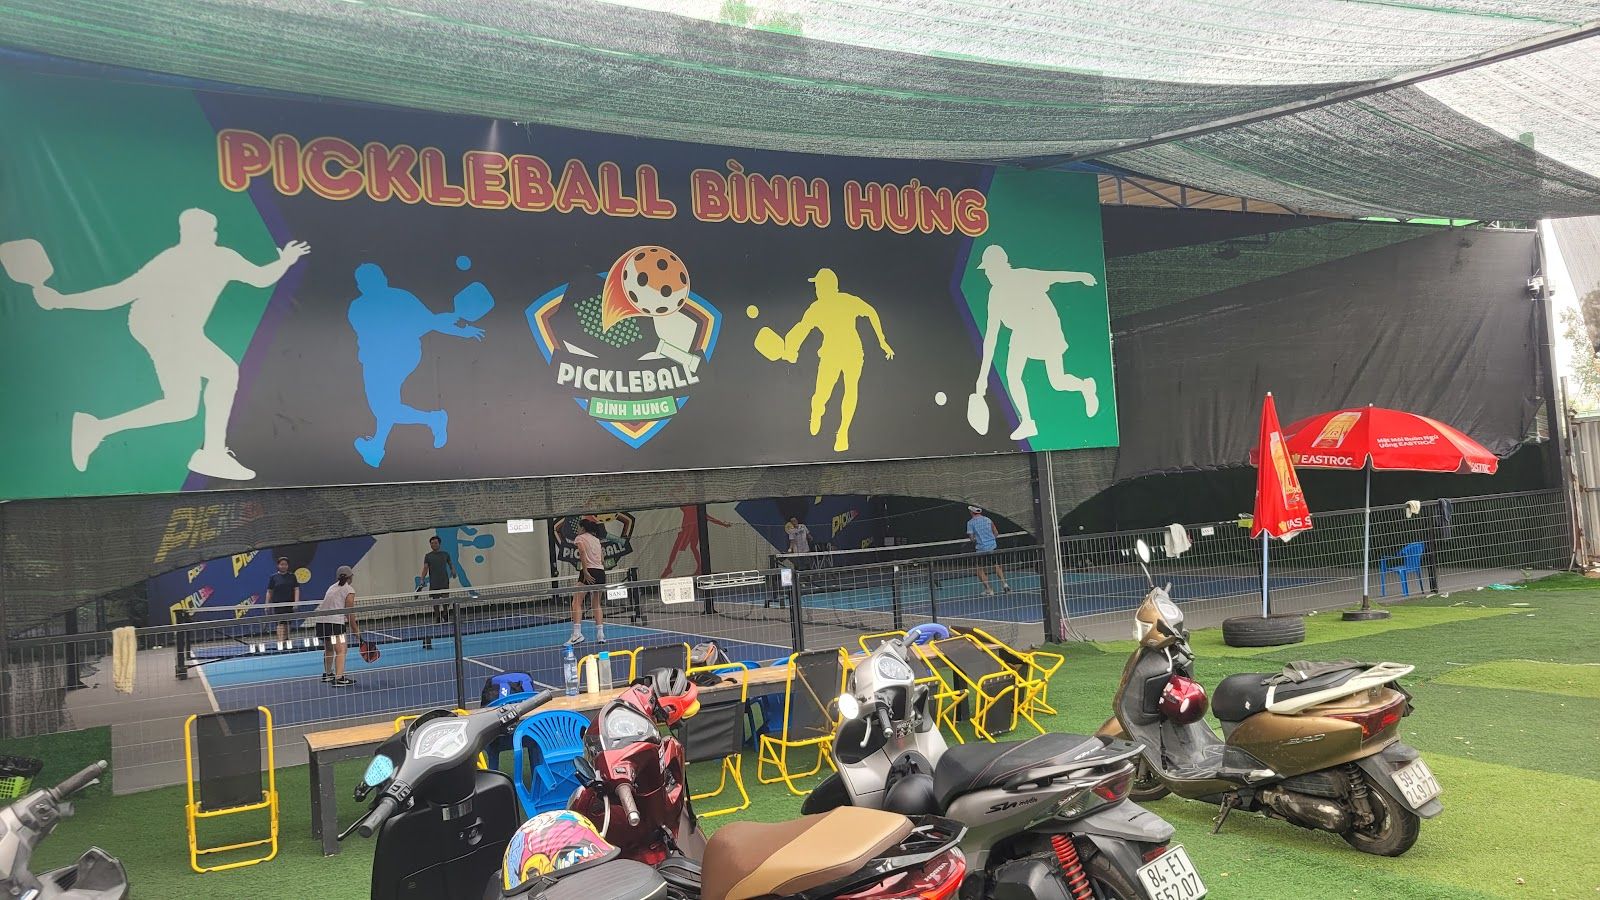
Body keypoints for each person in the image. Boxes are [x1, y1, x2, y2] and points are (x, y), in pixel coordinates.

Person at [26, 208, 309, 480]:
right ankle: (212, 454)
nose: (206, 235)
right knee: (224, 372)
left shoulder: (219, 257)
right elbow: (119, 293)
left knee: (181, 407)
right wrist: (62, 301)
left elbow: (260, 278)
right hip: (160, 327)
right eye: (200, 231)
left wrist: (285, 261)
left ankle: (96, 428)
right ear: (188, 233)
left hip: (169, 330)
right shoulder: (175, 259)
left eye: (208, 230)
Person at [348, 261, 487, 468]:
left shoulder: (377, 303)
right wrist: (453, 327)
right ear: (363, 286)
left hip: (395, 359)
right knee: (386, 405)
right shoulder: (366, 307)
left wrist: (457, 329)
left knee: (383, 409)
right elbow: (426, 323)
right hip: (387, 358)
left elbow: (428, 322)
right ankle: (377, 446)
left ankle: (433, 419)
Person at [972, 244, 1100, 441]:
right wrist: (982, 377)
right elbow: (991, 336)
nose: (987, 273)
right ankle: (1028, 423)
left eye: (988, 268)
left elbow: (1055, 276)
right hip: (1022, 333)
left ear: (999, 266)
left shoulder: (1024, 276)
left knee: (1057, 381)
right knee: (1012, 375)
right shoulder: (994, 295)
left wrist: (1082, 276)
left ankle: (1085, 387)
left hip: (1045, 328)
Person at [780, 268, 894, 452]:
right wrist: (791, 347)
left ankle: (842, 432)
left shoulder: (838, 302)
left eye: (818, 285)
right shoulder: (821, 307)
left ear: (826, 286)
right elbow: (801, 329)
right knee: (823, 394)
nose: (816, 289)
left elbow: (871, 311)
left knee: (848, 390)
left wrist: (882, 340)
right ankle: (818, 413)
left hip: (850, 353)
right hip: (836, 354)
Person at [307, 565, 361, 687]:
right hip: (335, 624)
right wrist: (355, 630)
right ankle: (339, 678)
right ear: (350, 577)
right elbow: (349, 612)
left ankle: (328, 674)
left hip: (321, 623)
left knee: (329, 649)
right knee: (341, 650)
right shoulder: (349, 590)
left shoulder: (331, 587)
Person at [569, 517, 608, 646]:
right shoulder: (596, 540)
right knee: (596, 604)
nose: (578, 529)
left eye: (579, 527)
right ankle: (600, 635)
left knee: (576, 602)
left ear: (583, 528)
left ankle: (577, 634)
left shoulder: (580, 538)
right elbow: (602, 559)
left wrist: (585, 571)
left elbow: (582, 551)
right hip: (600, 572)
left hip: (589, 571)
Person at [418, 535, 453, 650]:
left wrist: (453, 571)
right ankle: (438, 616)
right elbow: (425, 568)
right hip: (434, 582)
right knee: (435, 601)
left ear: (439, 544)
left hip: (444, 580)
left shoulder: (445, 554)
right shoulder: (428, 556)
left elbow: (450, 564)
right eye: (432, 543)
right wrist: (422, 579)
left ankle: (445, 614)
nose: (434, 545)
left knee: (445, 599)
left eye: (435, 543)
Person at [966, 506, 1010, 595]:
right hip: (992, 546)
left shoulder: (970, 523)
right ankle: (1005, 584)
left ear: (971, 512)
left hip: (981, 549)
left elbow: (972, 538)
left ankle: (988, 589)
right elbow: (996, 533)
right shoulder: (988, 520)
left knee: (979, 569)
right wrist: (990, 540)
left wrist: (978, 540)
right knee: (996, 565)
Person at [265, 556, 301, 646]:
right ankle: (280, 642)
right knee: (280, 623)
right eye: (281, 564)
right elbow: (269, 591)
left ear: (288, 566)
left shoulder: (292, 576)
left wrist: (296, 602)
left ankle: (286, 640)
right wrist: (267, 604)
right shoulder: (273, 577)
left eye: (285, 564)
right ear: (278, 565)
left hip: (289, 603)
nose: (283, 566)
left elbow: (296, 589)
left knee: (288, 623)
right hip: (278, 604)